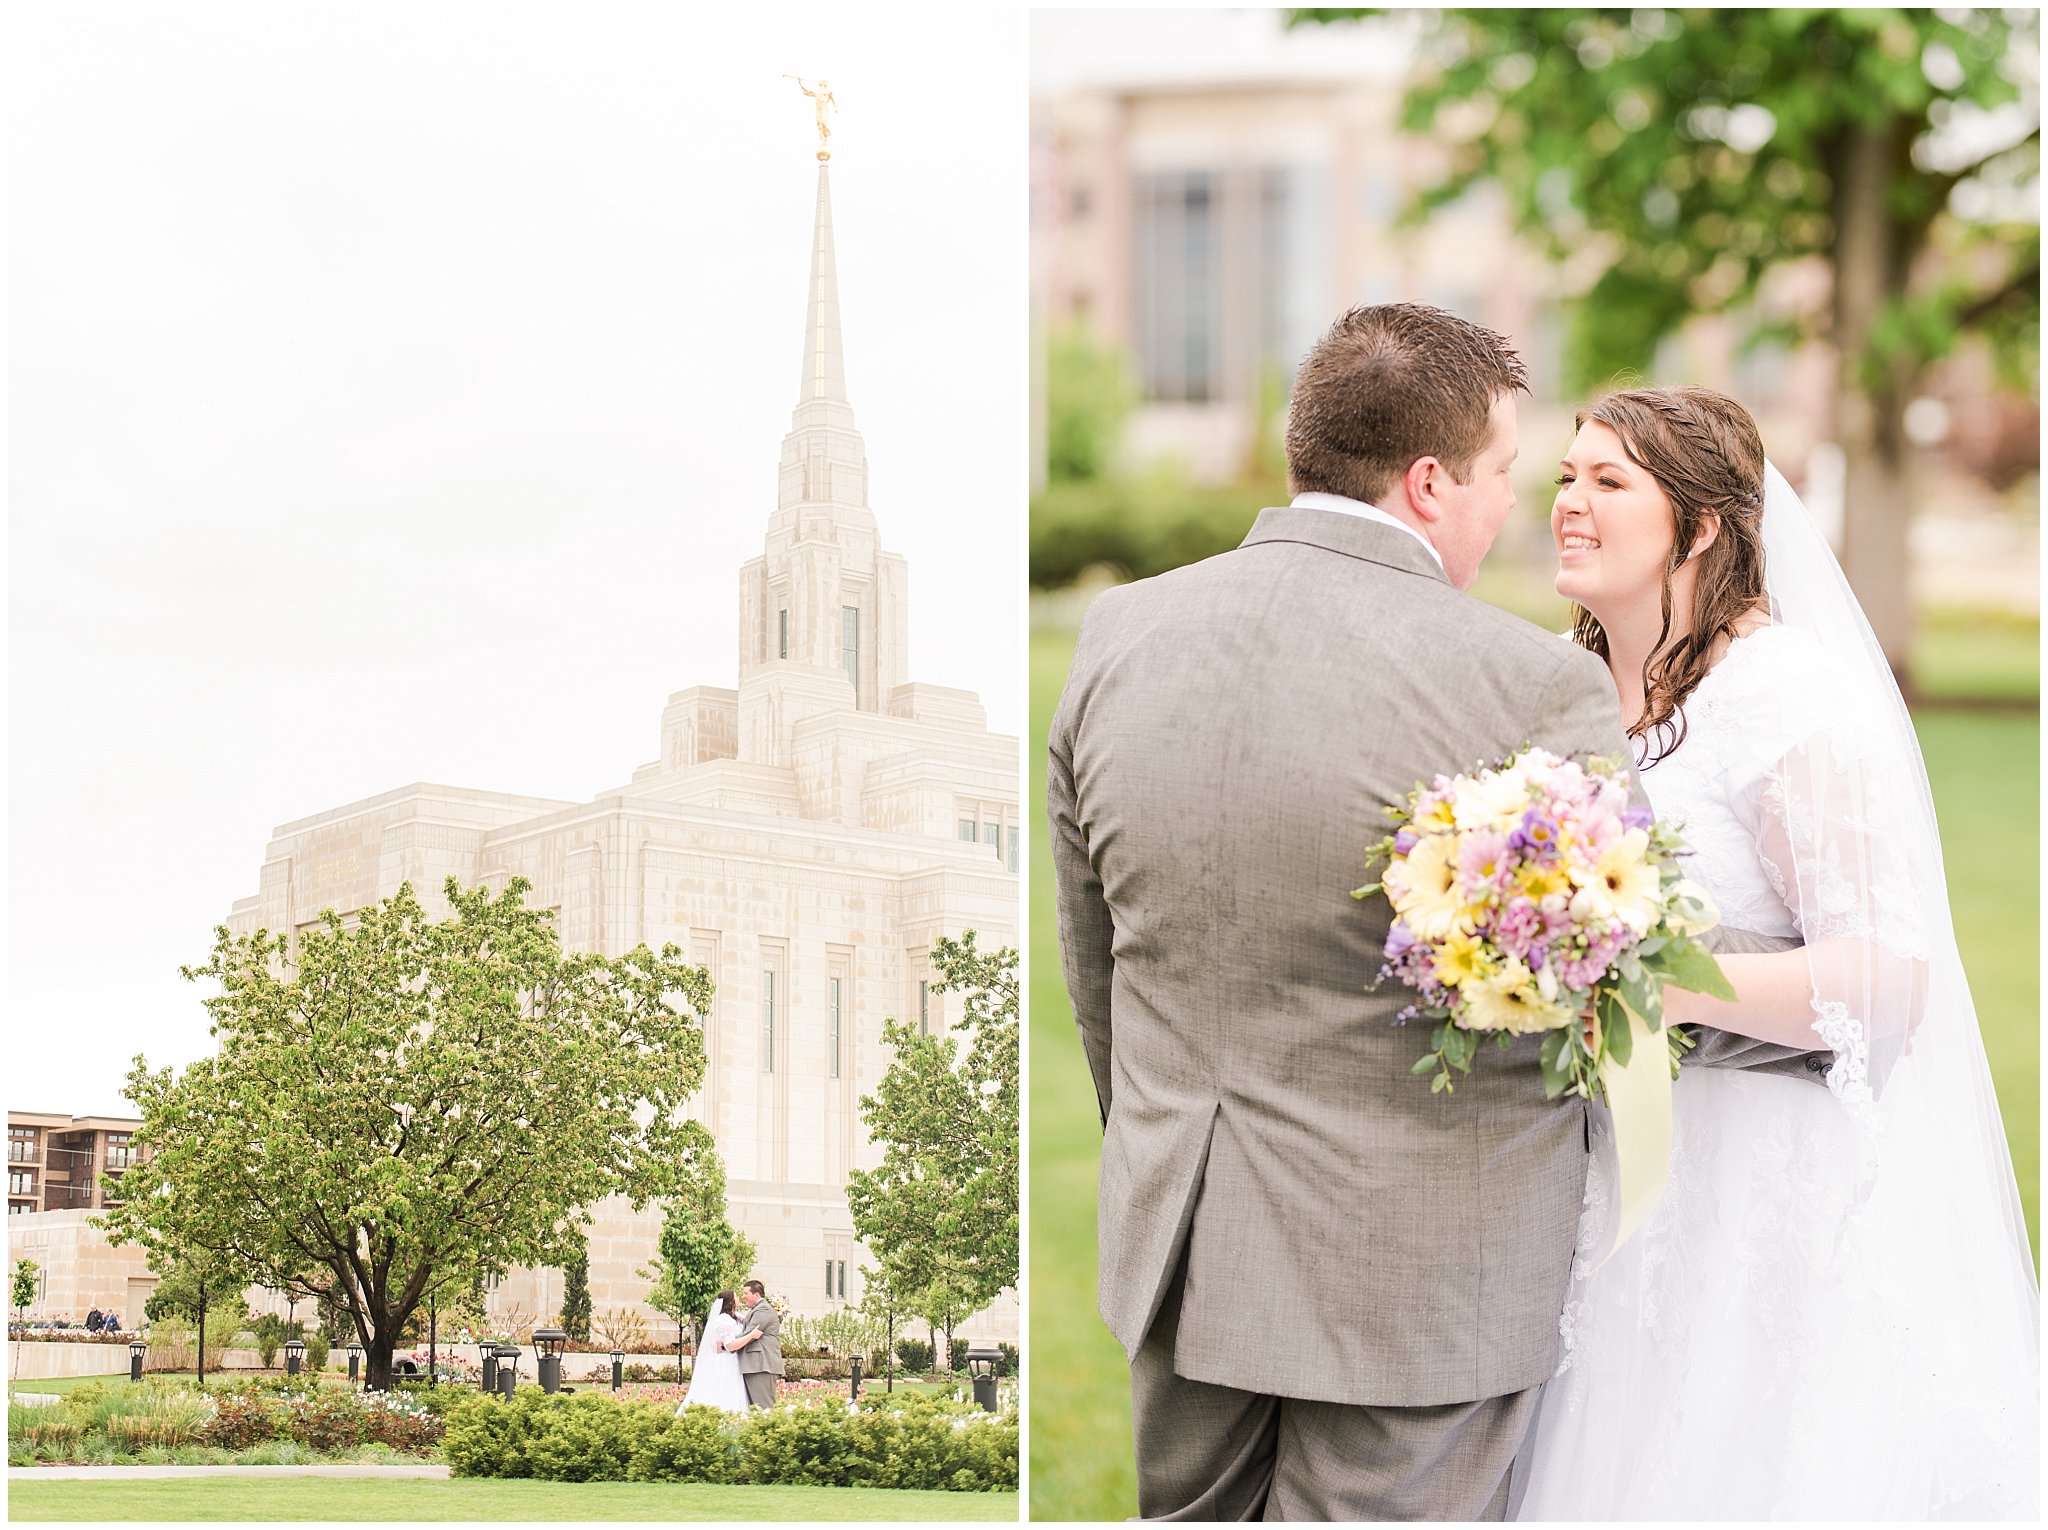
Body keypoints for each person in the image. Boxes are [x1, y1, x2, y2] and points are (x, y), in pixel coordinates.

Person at [1048, 305, 1817, 1521]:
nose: (1517, 503)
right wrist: (1834, 1013)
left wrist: (1158, 1143)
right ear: (1425, 483)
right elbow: (1608, 968)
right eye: (1507, 471)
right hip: (1418, 1280)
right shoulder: (1524, 682)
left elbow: (1094, 963)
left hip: (1181, 1235)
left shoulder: (1119, 635)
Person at [1512, 387, 2039, 1520]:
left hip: (1754, 1194)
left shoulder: (1784, 699)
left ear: (1701, 527)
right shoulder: (1570, 693)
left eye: (1609, 483)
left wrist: (1628, 974)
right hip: (1601, 1190)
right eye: (1566, 475)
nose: (1568, 503)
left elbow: (1884, 985)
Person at [677, 1291, 748, 1414]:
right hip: (726, 1359)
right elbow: (727, 1345)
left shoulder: (736, 1316)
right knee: (723, 1386)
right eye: (736, 1296)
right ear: (730, 1301)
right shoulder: (723, 1319)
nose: (739, 1297)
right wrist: (751, 1336)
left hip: (734, 1358)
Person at [725, 1279, 784, 1410]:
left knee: (764, 1407)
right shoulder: (757, 1310)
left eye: (746, 1293)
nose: (743, 1297)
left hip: (762, 1365)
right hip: (755, 1365)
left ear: (756, 1294)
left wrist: (727, 1344)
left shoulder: (763, 1310)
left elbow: (750, 1333)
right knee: (756, 1409)